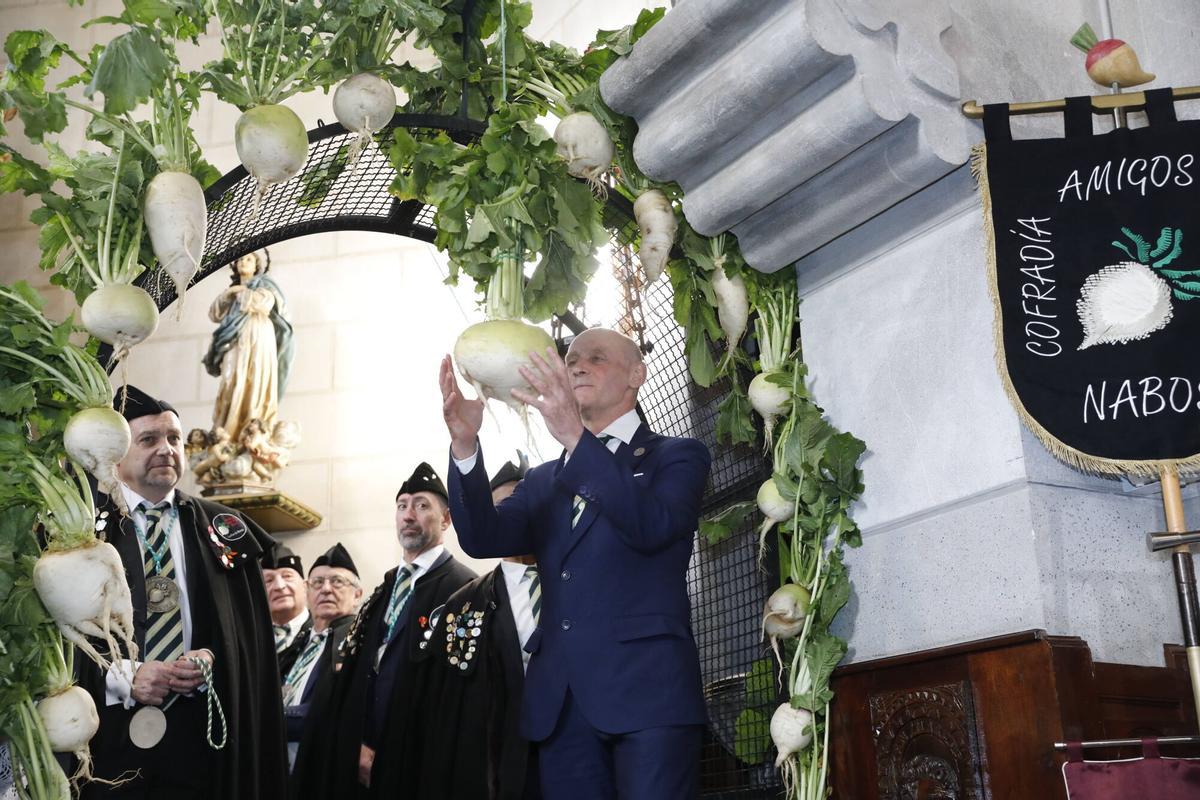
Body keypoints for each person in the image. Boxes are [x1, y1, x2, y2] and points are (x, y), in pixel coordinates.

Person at [440, 328, 712, 799]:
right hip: (563, 710)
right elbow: (483, 538)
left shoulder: (678, 456)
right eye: (571, 359)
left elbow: (652, 526)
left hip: (649, 699)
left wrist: (573, 436)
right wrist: (465, 448)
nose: (578, 365)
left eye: (597, 357)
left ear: (637, 374)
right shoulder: (545, 479)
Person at [78, 385, 287, 799]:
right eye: (149, 440)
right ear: (118, 454)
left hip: (202, 737)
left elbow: (250, 646)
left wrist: (214, 658)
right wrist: (126, 677)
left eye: (174, 438)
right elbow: (61, 647)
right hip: (109, 740)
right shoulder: (84, 531)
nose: (167, 449)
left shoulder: (223, 528)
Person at [293, 463, 475, 798]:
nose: (409, 515)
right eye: (402, 505)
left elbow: (458, 696)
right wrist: (358, 743)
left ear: (446, 519)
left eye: (422, 505)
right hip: (362, 760)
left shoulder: (463, 589)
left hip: (420, 765)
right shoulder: (387, 586)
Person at [375, 454, 542, 800]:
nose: (514, 515)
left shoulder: (578, 587)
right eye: (501, 507)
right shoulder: (465, 603)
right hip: (488, 768)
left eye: (523, 503)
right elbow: (446, 707)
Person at [283, 543, 362, 776]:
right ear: (307, 593)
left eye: (337, 582)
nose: (326, 589)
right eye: (317, 583)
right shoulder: (296, 645)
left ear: (357, 594)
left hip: (325, 770)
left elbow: (333, 712)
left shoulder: (360, 643)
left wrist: (269, 719)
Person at [202, 249, 294, 445]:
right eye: (241, 258)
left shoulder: (263, 285)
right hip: (234, 340)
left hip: (259, 333)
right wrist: (230, 292)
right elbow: (214, 314)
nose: (243, 261)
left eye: (249, 258)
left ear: (257, 264)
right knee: (231, 380)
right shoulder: (231, 291)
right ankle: (227, 429)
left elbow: (264, 303)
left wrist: (242, 292)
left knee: (256, 378)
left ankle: (253, 427)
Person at [262, 542, 311, 680]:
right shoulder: (251, 638)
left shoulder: (321, 634)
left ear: (305, 586)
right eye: (269, 580)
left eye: (287, 576)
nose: (279, 586)